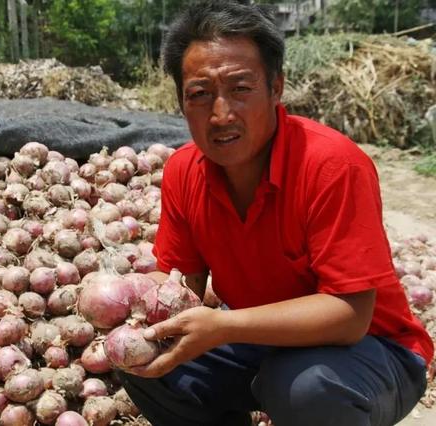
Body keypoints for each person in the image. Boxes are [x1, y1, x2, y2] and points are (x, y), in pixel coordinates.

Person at [117, 1, 433, 425]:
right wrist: (130, 299)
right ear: (180, 100)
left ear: (276, 88)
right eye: (200, 94)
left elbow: (350, 316)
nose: (221, 114)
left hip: (375, 353)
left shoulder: (332, 165)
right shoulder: (182, 171)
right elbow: (180, 286)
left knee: (307, 388)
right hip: (263, 341)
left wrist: (224, 327)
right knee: (145, 362)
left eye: (241, 89)